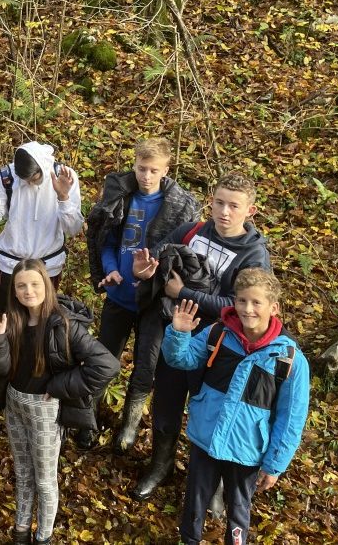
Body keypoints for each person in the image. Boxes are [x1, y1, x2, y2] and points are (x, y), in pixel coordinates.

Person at [129, 171, 272, 500]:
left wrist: (185, 293)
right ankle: (160, 465)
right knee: (166, 401)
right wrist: (146, 269)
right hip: (178, 334)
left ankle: (208, 480)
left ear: (250, 210)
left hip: (220, 347)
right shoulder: (192, 231)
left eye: (233, 206)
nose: (224, 212)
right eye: (219, 203)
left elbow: (240, 305)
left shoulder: (254, 255)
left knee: (210, 411)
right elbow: (159, 257)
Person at [0, 259, 118, 544]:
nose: (28, 291)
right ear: (14, 291)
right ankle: (21, 531)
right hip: (15, 404)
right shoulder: (12, 320)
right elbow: (0, 370)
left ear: (48, 285)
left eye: (35, 284)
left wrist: (59, 385)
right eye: (21, 286)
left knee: (44, 478)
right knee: (23, 473)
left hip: (45, 409)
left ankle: (44, 536)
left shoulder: (64, 324)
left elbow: (106, 365)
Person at [161, 269, 309, 545]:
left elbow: (291, 418)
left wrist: (275, 464)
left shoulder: (289, 359)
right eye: (241, 301)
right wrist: (178, 334)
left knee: (239, 510)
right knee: (194, 502)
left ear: (273, 308)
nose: (247, 309)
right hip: (206, 436)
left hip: (247, 449)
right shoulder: (217, 333)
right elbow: (180, 360)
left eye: (256, 302)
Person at [83, 137, 200, 451]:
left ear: (166, 170)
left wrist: (155, 276)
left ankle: (130, 425)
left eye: (153, 170)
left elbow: (183, 257)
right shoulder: (121, 194)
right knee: (103, 358)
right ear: (133, 165)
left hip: (154, 302)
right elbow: (104, 239)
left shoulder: (181, 206)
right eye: (141, 168)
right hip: (119, 296)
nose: (146, 176)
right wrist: (109, 268)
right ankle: (88, 417)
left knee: (145, 367)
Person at [0, 141, 82, 316]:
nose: (29, 183)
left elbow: (73, 229)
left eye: (34, 179)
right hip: (11, 266)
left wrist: (63, 197)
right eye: (25, 180)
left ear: (42, 168)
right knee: (7, 320)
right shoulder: (7, 176)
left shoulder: (64, 176)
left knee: (43, 322)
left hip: (47, 267)